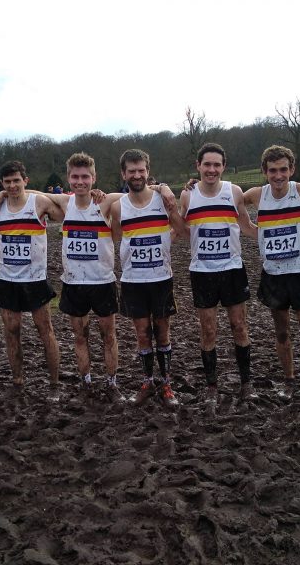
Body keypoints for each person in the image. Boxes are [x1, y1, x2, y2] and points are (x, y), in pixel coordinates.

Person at [243, 145, 300, 404]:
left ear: (291, 170)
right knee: (282, 333)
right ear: (265, 172)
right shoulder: (257, 195)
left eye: (283, 169)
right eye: (273, 171)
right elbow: (232, 200)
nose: (278, 175)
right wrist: (253, 231)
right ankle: (289, 381)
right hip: (273, 274)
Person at [99, 149, 184, 408]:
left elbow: (180, 230)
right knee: (142, 334)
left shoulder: (163, 200)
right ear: (123, 174)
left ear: (148, 171)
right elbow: (116, 237)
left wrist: (165, 238)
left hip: (161, 277)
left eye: (141, 170)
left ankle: (166, 383)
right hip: (133, 280)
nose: (137, 175)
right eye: (131, 171)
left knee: (163, 332)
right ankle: (148, 381)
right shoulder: (117, 207)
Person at [179, 142, 258, 411]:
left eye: (217, 164)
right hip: (202, 272)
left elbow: (247, 226)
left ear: (223, 167)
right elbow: (180, 228)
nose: (212, 169)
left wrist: (279, 232)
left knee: (239, 326)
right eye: (207, 164)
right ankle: (212, 385)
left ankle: (246, 383)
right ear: (198, 166)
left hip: (232, 270)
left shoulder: (233, 192)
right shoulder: (188, 196)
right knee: (208, 330)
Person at [47, 153, 124, 402]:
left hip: (102, 281)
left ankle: (112, 384)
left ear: (94, 178)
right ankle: (86, 383)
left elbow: (140, 191)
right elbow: (31, 194)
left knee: (108, 336)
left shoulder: (106, 202)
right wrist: (3, 194)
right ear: (68, 178)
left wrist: (164, 188)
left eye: (85, 177)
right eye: (75, 177)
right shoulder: (64, 203)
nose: (80, 182)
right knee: (80, 336)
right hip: (73, 282)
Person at [0, 160, 64, 401]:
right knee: (11, 332)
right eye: (7, 182)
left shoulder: (39, 203)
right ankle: (17, 382)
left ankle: (54, 384)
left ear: (26, 180)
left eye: (16, 181)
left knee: (46, 331)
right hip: (6, 279)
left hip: (35, 279)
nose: (12, 186)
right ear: (2, 184)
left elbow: (68, 212)